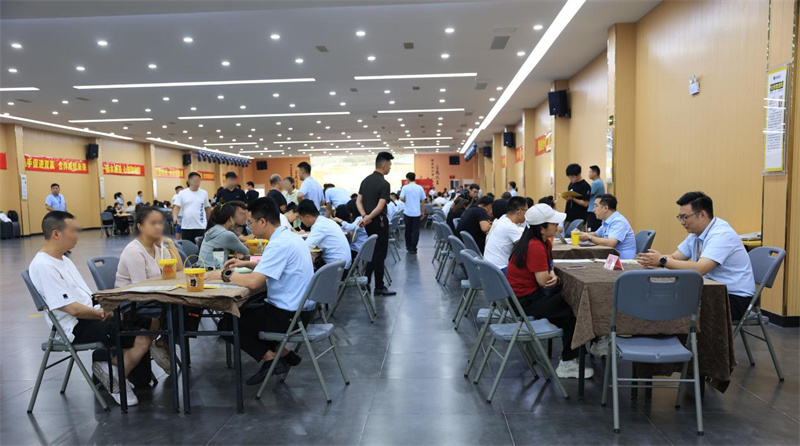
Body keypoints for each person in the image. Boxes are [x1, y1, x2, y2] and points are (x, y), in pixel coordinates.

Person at [29, 211, 161, 405]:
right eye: (73, 231)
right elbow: (72, 309)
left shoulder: (64, 260)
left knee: (150, 323)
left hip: (90, 313)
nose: (77, 235)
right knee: (141, 337)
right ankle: (115, 377)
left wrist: (106, 307)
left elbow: (83, 298)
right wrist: (100, 313)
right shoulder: (43, 266)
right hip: (75, 326)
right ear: (56, 234)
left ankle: (111, 366)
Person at [205, 197, 314, 384]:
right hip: (302, 312)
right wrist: (246, 263)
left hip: (288, 316)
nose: (249, 227)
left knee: (228, 324)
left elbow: (254, 282)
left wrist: (225, 275)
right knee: (246, 311)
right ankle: (285, 354)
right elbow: (275, 265)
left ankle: (271, 360)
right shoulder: (289, 237)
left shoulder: (278, 244)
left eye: (250, 222)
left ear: (262, 222)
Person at [637, 192, 755, 321]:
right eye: (680, 217)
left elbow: (700, 269)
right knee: (663, 297)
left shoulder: (722, 234)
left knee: (673, 305)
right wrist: (654, 259)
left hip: (732, 298)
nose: (682, 222)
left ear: (702, 214)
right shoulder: (695, 234)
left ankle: (671, 333)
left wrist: (662, 260)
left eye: (685, 217)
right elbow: (675, 257)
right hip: (709, 289)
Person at [505, 204, 592, 379]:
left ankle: (581, 351)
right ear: (541, 228)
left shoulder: (537, 242)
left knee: (573, 302)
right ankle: (568, 363)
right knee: (575, 309)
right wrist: (556, 279)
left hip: (520, 298)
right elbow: (545, 282)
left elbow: (548, 266)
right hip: (525, 302)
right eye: (554, 223)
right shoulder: (535, 246)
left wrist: (551, 272)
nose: (558, 227)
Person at [115, 206, 182, 375]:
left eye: (160, 223)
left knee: (187, 308)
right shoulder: (134, 251)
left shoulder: (159, 248)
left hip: (153, 296)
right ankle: (162, 340)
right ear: (140, 226)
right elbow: (141, 289)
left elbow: (179, 269)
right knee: (178, 308)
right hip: (130, 302)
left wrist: (170, 243)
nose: (158, 227)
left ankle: (162, 341)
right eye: (152, 223)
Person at [357, 151, 396, 296]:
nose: (390, 168)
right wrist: (368, 217)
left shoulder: (365, 181)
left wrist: (364, 216)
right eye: (390, 165)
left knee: (373, 253)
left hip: (368, 222)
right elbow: (380, 207)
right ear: (384, 165)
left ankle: (366, 281)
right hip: (379, 222)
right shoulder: (384, 184)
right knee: (380, 254)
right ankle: (379, 286)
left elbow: (358, 201)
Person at [298, 199, 352, 269]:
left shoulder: (319, 226)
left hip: (336, 268)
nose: (301, 221)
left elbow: (306, 247)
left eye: (301, 218)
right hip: (343, 264)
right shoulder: (326, 221)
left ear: (307, 216)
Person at [578, 194, 636, 259]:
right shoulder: (607, 220)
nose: (593, 210)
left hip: (623, 261)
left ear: (605, 208)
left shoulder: (618, 221)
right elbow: (596, 234)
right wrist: (580, 234)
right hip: (611, 257)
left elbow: (611, 243)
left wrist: (589, 237)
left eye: (596, 206)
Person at [198, 201, 250, 269]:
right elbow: (247, 251)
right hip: (214, 270)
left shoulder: (212, 230)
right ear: (230, 218)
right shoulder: (227, 235)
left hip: (202, 268)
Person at [484, 196, 528, 269]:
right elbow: (526, 248)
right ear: (519, 212)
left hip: (489, 266)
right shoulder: (510, 227)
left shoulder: (503, 218)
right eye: (526, 211)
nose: (527, 215)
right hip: (499, 269)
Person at [172, 172, 212, 244]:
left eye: (199, 181)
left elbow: (207, 207)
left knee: (200, 247)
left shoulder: (204, 193)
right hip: (186, 226)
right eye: (195, 180)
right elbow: (176, 207)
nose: (197, 183)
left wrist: (208, 220)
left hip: (200, 226)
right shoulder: (182, 193)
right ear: (189, 181)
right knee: (187, 247)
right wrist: (175, 217)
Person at [399, 172, 426, 254]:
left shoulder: (405, 187)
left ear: (407, 178)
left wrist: (406, 201)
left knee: (408, 230)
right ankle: (413, 247)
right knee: (415, 231)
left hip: (407, 212)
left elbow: (401, 198)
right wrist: (423, 212)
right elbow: (423, 200)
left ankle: (408, 246)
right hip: (417, 213)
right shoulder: (419, 188)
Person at [563, 164, 591, 231]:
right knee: (566, 235)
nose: (571, 179)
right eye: (569, 177)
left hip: (579, 218)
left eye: (572, 177)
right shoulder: (571, 184)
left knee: (578, 236)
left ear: (579, 174)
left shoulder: (585, 186)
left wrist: (572, 199)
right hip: (568, 216)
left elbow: (586, 203)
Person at [586, 165, 605, 231]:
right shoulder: (600, 181)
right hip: (596, 209)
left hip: (592, 210)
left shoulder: (596, 183)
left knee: (591, 229)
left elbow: (588, 194)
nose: (588, 174)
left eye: (590, 172)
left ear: (594, 173)